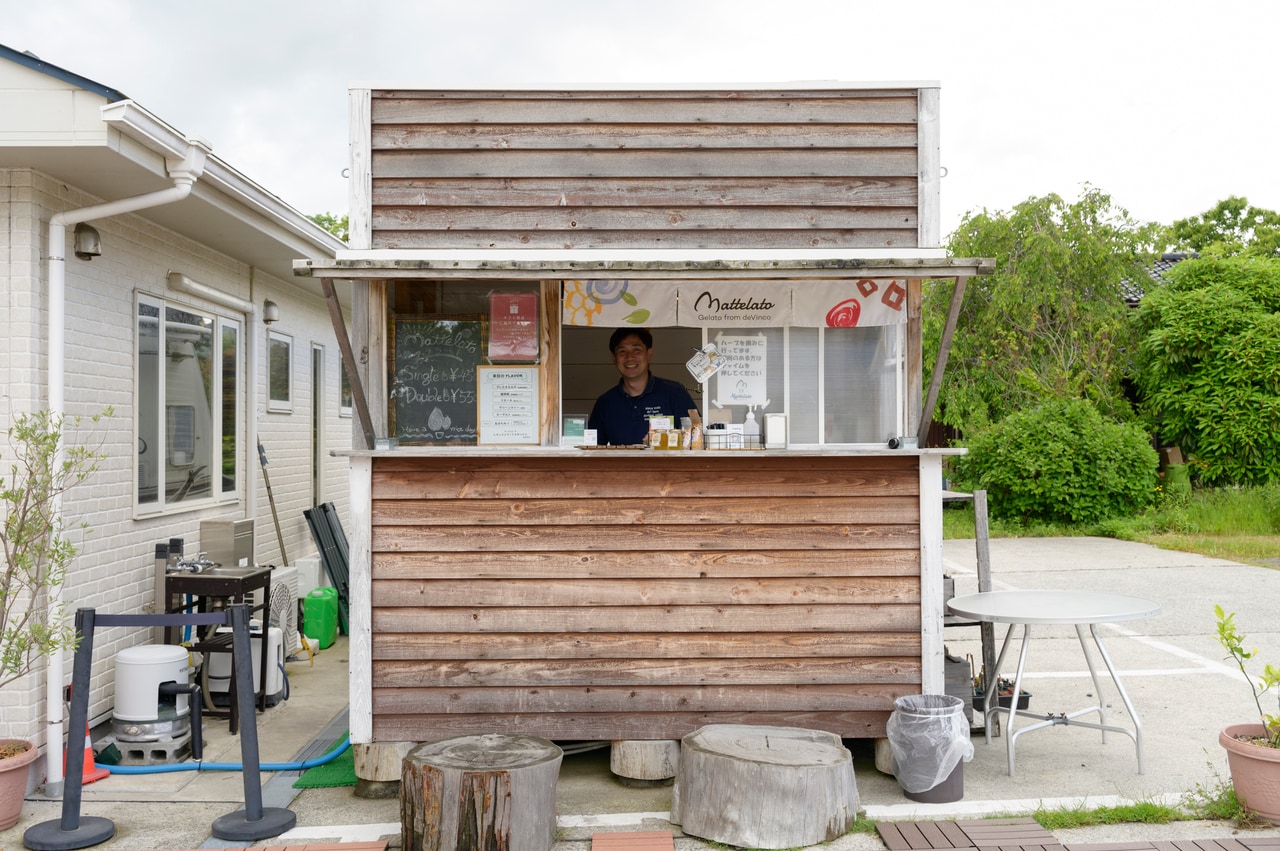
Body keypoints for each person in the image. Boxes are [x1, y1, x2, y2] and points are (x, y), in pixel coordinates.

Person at [588, 328, 697, 446]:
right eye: (622, 351)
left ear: (649, 354)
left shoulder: (674, 393)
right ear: (614, 358)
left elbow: (696, 435)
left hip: (666, 464)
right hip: (620, 465)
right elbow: (592, 448)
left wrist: (666, 439)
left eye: (636, 350)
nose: (630, 357)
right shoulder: (605, 403)